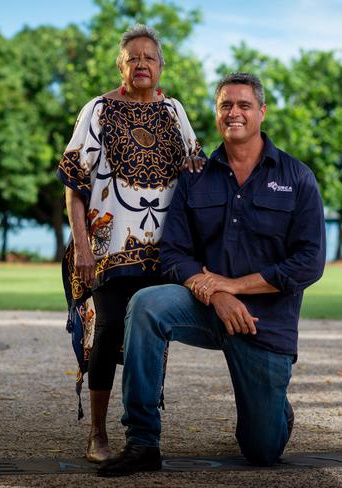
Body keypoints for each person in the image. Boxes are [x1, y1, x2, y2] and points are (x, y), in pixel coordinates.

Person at [97, 72, 326, 477]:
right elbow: (174, 252)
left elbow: (308, 262)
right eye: (225, 105)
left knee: (261, 451)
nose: (233, 113)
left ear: (262, 112)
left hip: (264, 325)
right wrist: (217, 296)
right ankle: (142, 441)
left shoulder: (297, 178)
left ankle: (274, 407)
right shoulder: (195, 175)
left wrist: (234, 287)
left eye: (243, 105)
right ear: (217, 112)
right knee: (147, 305)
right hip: (207, 308)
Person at [57, 24, 203, 463]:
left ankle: (142, 434)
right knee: (106, 332)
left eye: (150, 58)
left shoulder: (175, 111)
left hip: (164, 252)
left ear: (161, 67)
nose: (142, 64)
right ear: (121, 66)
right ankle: (97, 434)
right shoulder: (98, 110)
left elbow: (194, 168)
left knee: (151, 340)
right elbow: (74, 184)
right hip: (107, 249)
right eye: (133, 57)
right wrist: (82, 248)